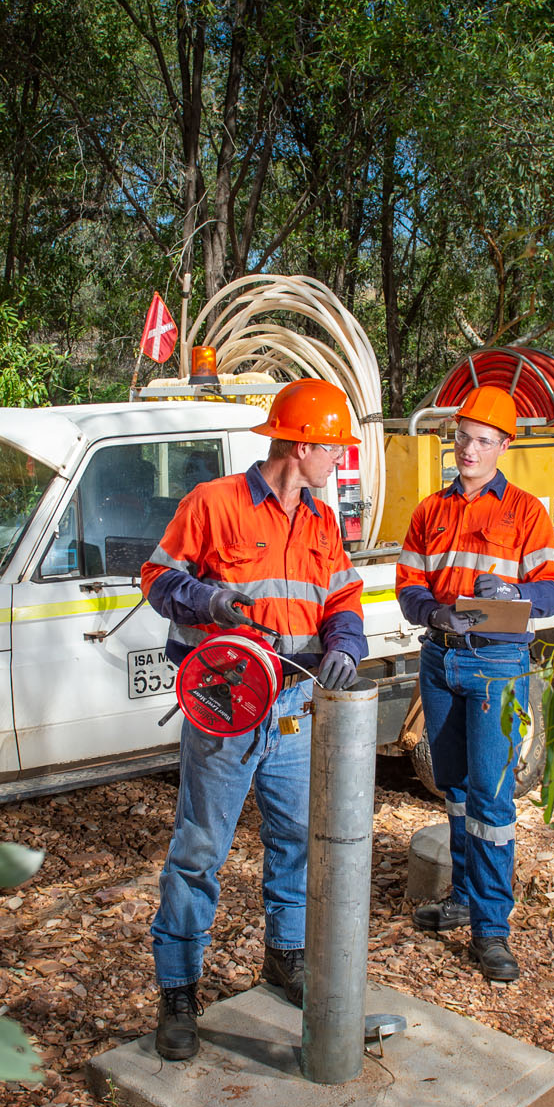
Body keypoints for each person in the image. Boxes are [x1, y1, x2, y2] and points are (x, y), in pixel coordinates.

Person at [139, 378, 368, 1059]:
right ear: (300, 445)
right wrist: (209, 602)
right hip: (228, 704)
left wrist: (347, 644)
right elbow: (155, 579)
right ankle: (178, 993)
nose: (340, 459)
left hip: (294, 706)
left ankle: (285, 957)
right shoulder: (213, 504)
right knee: (200, 850)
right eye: (334, 448)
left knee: (297, 841)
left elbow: (342, 596)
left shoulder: (323, 520)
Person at [395, 385, 554, 983]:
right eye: (463, 437)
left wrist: (517, 594)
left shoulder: (525, 511)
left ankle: (492, 930)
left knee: (492, 802)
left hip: (498, 666)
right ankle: (464, 898)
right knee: (456, 788)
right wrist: (429, 612)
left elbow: (553, 590)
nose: (470, 448)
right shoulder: (428, 512)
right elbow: (409, 585)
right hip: (441, 662)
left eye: (484, 441)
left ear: (503, 446)